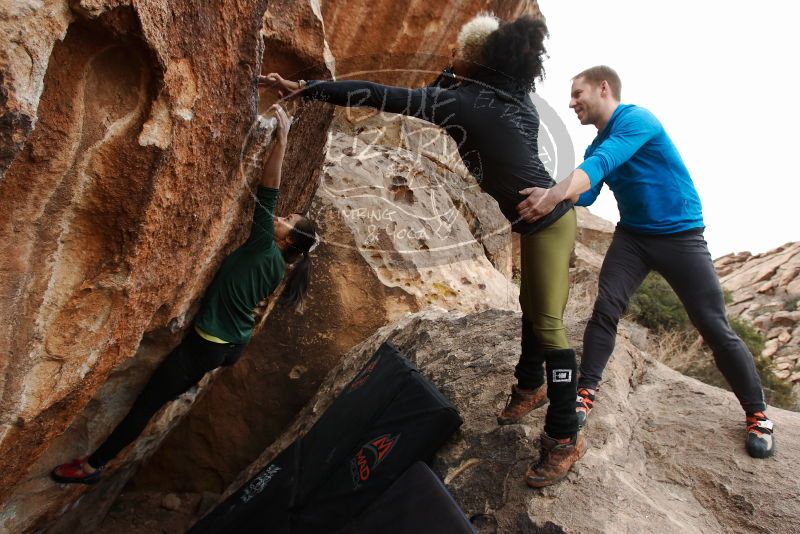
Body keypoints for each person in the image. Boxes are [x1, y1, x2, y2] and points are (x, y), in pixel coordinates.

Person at [263, 14, 585, 487]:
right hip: (540, 222)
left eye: (458, 52)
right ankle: (528, 386)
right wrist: (457, 75)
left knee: (549, 325)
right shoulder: (513, 99)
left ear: (473, 60)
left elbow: (384, 95)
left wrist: (309, 87)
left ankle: (563, 435)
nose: (449, 57)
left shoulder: (463, 102)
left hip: (551, 225)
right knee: (530, 309)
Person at [515, 65, 774, 459]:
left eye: (577, 94)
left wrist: (554, 193)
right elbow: (587, 193)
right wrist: (549, 186)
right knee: (605, 308)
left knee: (713, 324)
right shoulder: (595, 146)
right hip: (633, 238)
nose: (571, 104)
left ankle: (757, 414)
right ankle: (586, 393)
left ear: (604, 88)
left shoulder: (637, 120)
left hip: (681, 237)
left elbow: (604, 164)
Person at [51, 105, 319, 484]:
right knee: (152, 400)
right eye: (284, 216)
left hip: (206, 346)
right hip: (228, 345)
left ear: (289, 238)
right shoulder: (278, 263)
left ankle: (94, 466)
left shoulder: (264, 246)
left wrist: (282, 140)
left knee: (145, 406)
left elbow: (268, 190)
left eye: (287, 221)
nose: (279, 218)